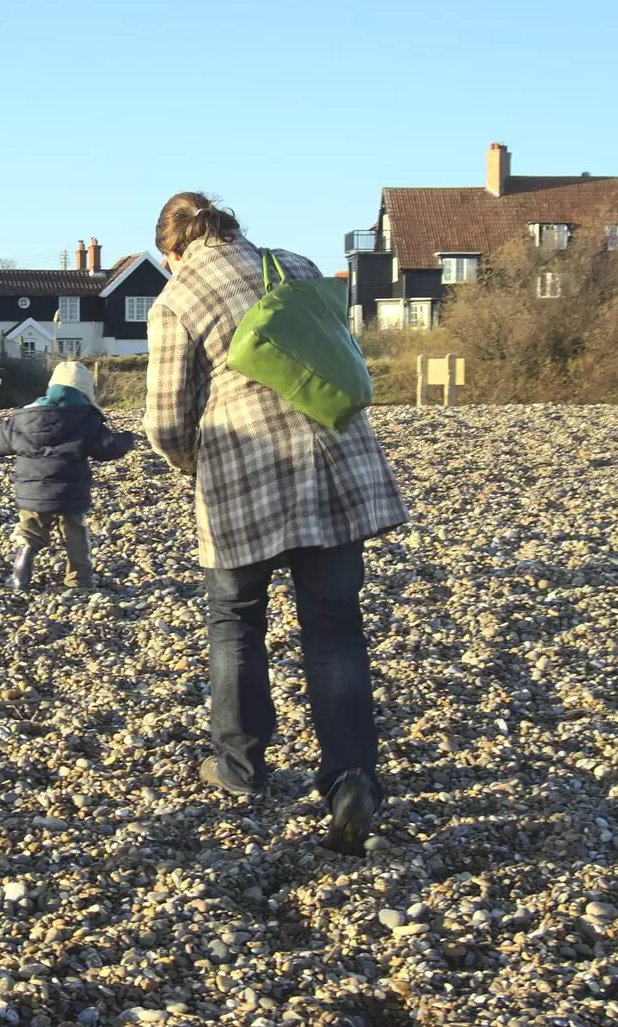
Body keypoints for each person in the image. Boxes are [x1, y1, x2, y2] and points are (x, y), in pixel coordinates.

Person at [143, 191, 408, 855]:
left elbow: (167, 422)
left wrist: (193, 467)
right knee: (335, 626)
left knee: (236, 620)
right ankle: (351, 776)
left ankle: (240, 766)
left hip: (245, 474)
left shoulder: (176, 299)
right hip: (336, 464)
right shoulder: (295, 265)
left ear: (171, 251)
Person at [0, 361, 134, 590]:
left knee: (30, 532)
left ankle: (19, 576)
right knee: (75, 533)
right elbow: (108, 448)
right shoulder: (87, 419)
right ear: (85, 391)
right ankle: (79, 579)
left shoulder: (23, 418)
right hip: (70, 493)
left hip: (32, 493)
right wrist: (128, 438)